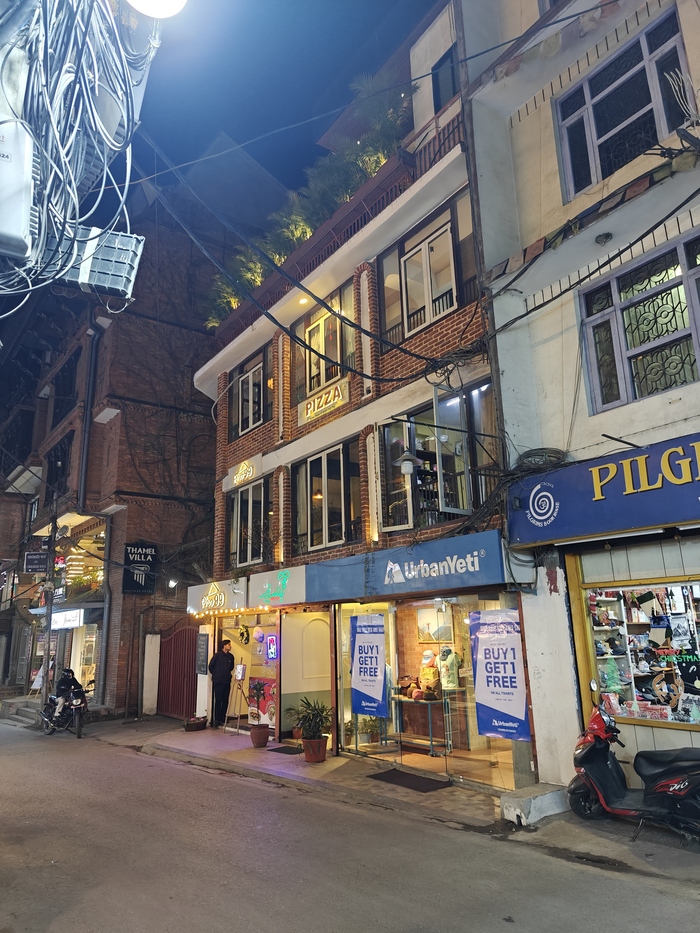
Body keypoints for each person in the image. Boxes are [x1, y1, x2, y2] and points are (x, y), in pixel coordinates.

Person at [208, 639, 234, 727]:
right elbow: (211, 666)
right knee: (218, 700)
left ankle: (223, 717)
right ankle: (217, 719)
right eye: (229, 644)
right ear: (224, 646)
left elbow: (231, 667)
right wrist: (216, 674)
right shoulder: (217, 655)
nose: (230, 646)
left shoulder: (231, 657)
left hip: (226, 680)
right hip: (218, 681)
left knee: (225, 700)